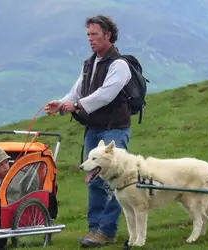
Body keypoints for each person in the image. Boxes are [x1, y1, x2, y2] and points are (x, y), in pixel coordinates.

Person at [44, 14, 132, 248]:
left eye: (94, 35)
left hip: (114, 131)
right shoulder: (90, 62)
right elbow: (77, 91)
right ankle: (95, 230)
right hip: (94, 129)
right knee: (93, 179)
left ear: (108, 36)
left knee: (114, 181)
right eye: (88, 35)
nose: (90, 39)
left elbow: (105, 94)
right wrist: (61, 104)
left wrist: (78, 105)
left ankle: (107, 230)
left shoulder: (119, 65)